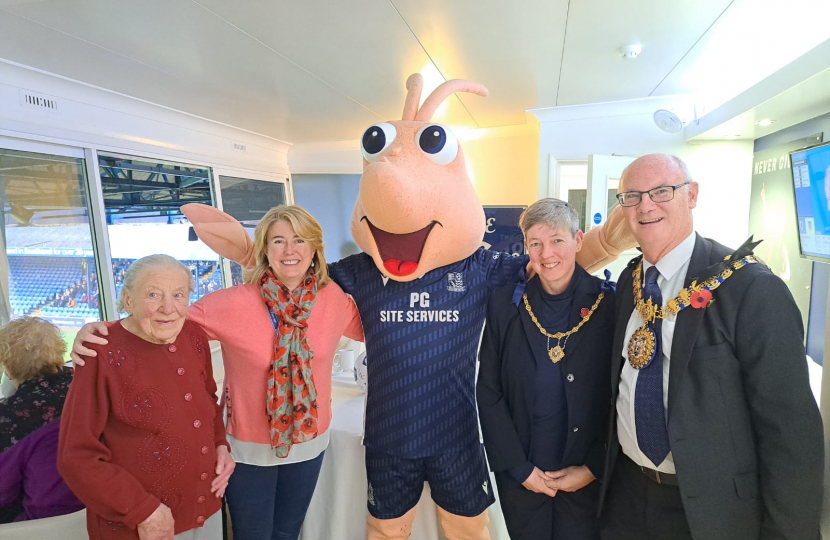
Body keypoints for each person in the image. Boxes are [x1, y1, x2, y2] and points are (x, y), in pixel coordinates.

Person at [72, 205, 364, 540]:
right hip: (248, 450)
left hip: (310, 442)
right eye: (278, 241)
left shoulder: (334, 300)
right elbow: (163, 321)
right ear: (265, 251)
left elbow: (376, 329)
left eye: (299, 240)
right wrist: (103, 331)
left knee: (287, 532)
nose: (289, 250)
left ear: (314, 248)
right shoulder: (231, 303)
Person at [598, 154, 824, 540]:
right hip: (626, 497)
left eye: (662, 191)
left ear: (692, 195)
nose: (646, 205)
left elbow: (790, 433)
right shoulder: (628, 282)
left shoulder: (749, 288)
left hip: (711, 512)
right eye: (632, 196)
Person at [59, 255, 234, 540]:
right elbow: (76, 455)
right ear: (128, 300)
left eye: (178, 295)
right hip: (140, 525)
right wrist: (143, 510)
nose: (168, 308)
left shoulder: (194, 336)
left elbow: (208, 403)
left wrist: (220, 445)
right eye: (153, 294)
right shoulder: (99, 351)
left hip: (204, 508)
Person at [477, 199, 615, 540]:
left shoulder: (610, 304)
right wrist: (517, 467)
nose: (546, 253)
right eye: (535, 243)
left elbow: (620, 393)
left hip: (587, 471)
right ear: (526, 247)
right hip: (523, 471)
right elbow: (488, 390)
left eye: (557, 240)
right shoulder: (503, 304)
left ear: (578, 241)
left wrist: (594, 467)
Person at [0, 316, 83, 523]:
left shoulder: (9, 415)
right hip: (103, 510)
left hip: (42, 522)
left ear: (8, 367)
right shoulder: (92, 387)